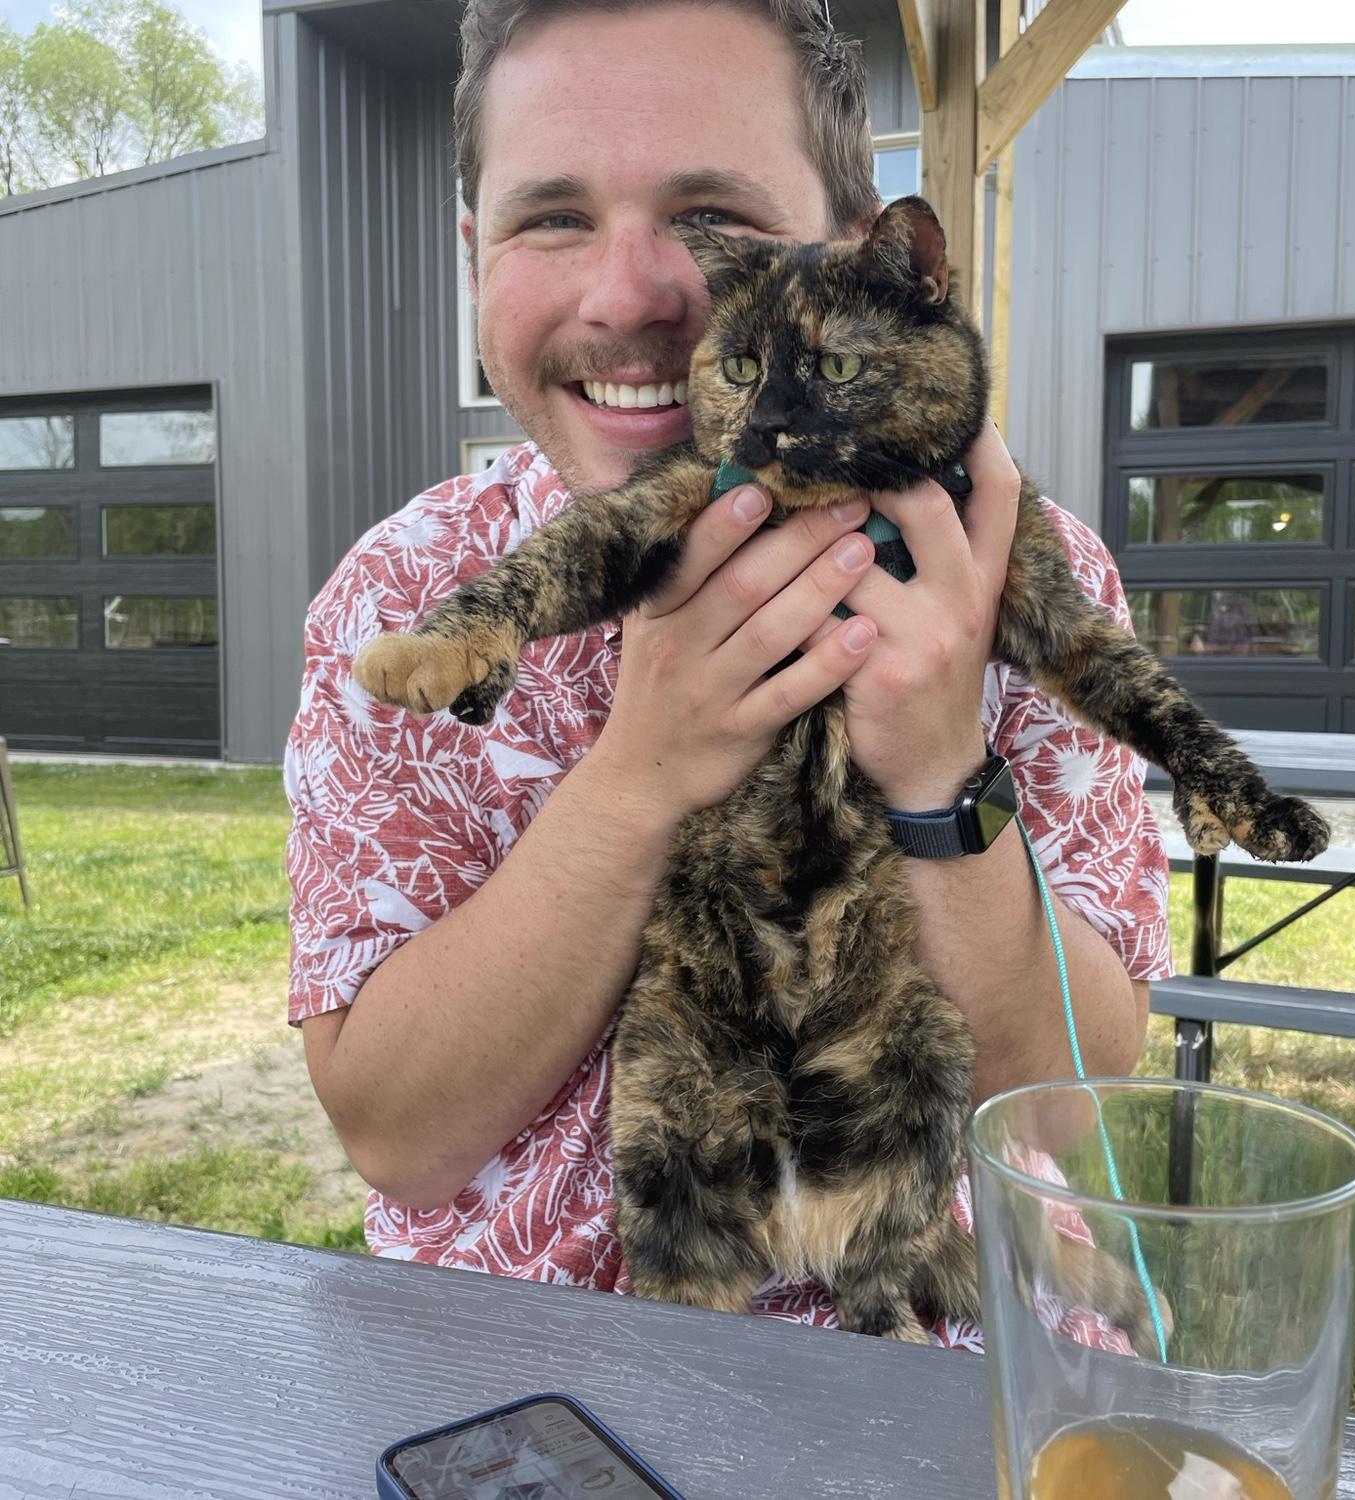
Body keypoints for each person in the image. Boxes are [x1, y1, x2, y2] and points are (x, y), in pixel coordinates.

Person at [284, 0, 1171, 1349]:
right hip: (536, 1395)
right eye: (552, 218)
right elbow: (397, 1135)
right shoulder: (406, 602)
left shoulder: (1023, 576)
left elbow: (1060, 1108)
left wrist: (938, 765)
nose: (632, 295)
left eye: (718, 218)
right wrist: (641, 778)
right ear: (475, 258)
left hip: (950, 1372)